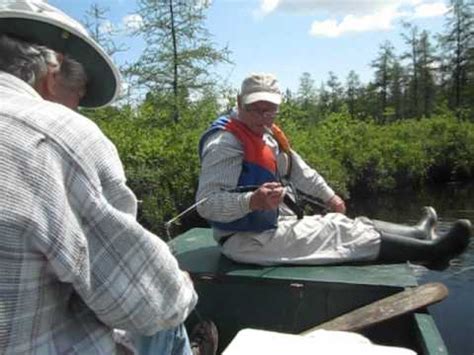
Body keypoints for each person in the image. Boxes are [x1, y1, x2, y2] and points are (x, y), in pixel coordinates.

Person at [0, 2, 217, 354]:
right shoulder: (60, 136)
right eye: (80, 92)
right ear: (52, 70)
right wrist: (179, 287)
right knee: (165, 315)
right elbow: (148, 300)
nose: (77, 105)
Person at [196, 72, 472, 266]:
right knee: (339, 234)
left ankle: (417, 235)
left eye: (271, 110)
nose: (265, 117)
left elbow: (300, 171)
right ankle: (433, 252)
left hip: (270, 226)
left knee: (339, 221)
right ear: (239, 101)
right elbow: (206, 205)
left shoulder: (265, 134)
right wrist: (251, 200)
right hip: (244, 241)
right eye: (257, 109)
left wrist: (330, 197)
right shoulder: (225, 143)